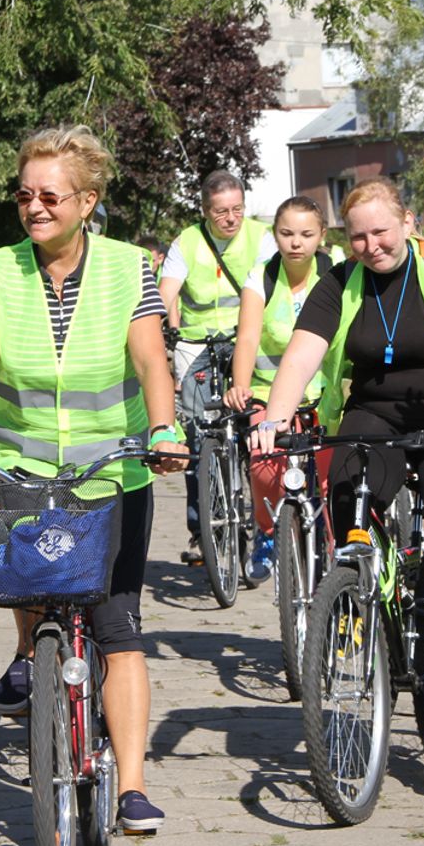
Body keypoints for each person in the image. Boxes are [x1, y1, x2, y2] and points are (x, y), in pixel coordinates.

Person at [0, 125, 187, 835]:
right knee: (36, 603)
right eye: (23, 195)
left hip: (113, 473)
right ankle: (41, 687)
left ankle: (131, 784)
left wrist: (163, 430)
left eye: (49, 196)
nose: (34, 207)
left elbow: (152, 362)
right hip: (25, 470)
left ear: (88, 201)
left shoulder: (130, 268)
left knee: (118, 625)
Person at [253, 176, 424, 765]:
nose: (371, 245)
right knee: (348, 490)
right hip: (378, 410)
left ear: (407, 222)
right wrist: (272, 418)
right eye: (358, 236)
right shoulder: (340, 280)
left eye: (381, 231)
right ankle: (358, 590)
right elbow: (303, 351)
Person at [158, 171, 274, 565]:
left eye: (238, 209)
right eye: (221, 212)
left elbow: (265, 288)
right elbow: (166, 292)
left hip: (246, 339)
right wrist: (155, 325)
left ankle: (261, 526)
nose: (231, 219)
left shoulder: (261, 237)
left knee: (254, 432)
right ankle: (200, 529)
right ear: (205, 211)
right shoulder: (186, 242)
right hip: (198, 344)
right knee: (197, 436)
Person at [223, 196, 332, 582]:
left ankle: (335, 549)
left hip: (325, 393)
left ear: (321, 236)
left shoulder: (336, 274)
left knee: (330, 476)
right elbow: (248, 337)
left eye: (306, 234)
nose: (296, 242)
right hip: (269, 392)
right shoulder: (262, 276)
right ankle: (267, 534)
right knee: (265, 464)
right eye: (286, 233)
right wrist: (240, 384)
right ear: (275, 235)